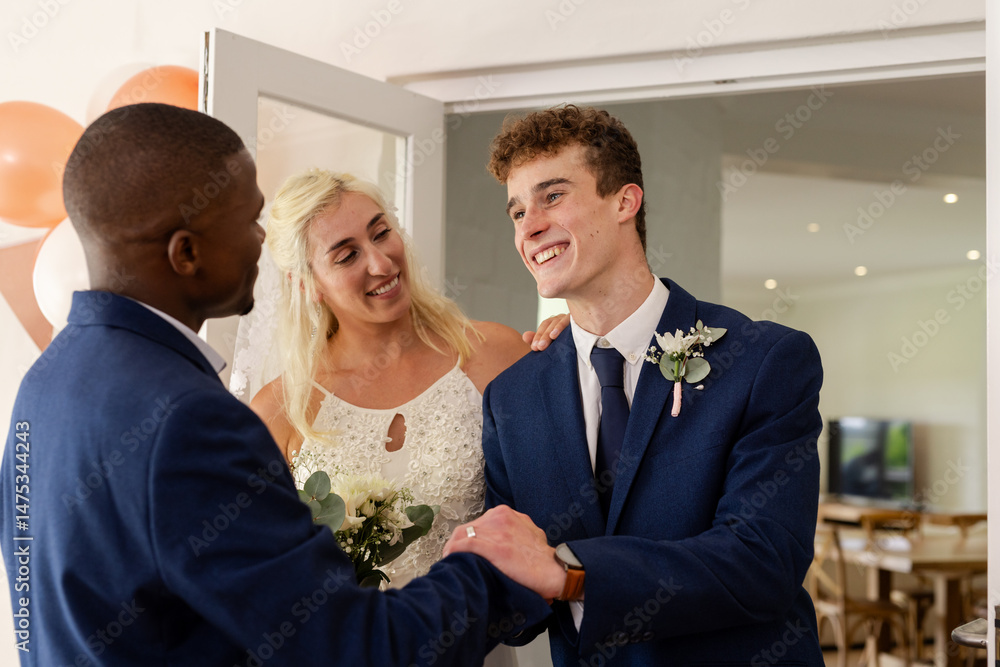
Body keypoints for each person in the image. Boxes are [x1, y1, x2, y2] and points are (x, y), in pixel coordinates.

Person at [0, 102, 555, 666]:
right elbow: (347, 645)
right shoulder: (192, 417)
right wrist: (489, 566)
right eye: (248, 221)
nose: (260, 241)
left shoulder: (42, 387)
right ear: (186, 252)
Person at [468, 104, 825, 665]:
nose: (528, 227)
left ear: (624, 202)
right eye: (517, 211)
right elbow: (512, 611)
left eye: (552, 196)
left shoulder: (764, 360)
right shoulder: (512, 397)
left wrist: (569, 574)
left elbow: (763, 563)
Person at [248, 170, 565, 667]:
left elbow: (564, 508)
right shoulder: (280, 410)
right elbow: (261, 581)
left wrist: (578, 345)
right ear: (307, 284)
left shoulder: (496, 355)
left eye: (381, 233)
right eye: (347, 255)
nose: (381, 263)